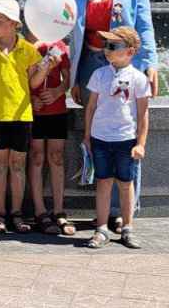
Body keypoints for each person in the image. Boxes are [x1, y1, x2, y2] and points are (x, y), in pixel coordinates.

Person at [69, 0, 157, 232]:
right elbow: (71, 33)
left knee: (128, 133)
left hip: (124, 64)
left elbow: (144, 29)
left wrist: (150, 65)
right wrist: (73, 77)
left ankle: (126, 210)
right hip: (89, 67)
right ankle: (103, 209)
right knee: (97, 129)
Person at [0, 0, 52, 234]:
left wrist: (44, 68)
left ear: (14, 24)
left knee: (17, 165)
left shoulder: (27, 49)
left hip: (21, 115)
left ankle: (16, 211)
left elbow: (33, 82)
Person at [83, 27, 150, 249]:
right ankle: (101, 228)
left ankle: (128, 227)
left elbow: (143, 114)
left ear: (130, 52)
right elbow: (91, 107)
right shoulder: (99, 74)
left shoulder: (138, 79)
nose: (107, 50)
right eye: (106, 45)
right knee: (103, 182)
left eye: (113, 46)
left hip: (125, 139)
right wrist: (87, 136)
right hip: (101, 137)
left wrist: (140, 143)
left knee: (125, 183)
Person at [29, 31, 74, 236]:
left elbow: (67, 79)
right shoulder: (29, 46)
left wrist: (57, 91)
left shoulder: (60, 46)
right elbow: (22, 79)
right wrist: (31, 99)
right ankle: (39, 210)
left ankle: (59, 209)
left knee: (56, 157)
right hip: (35, 110)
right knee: (36, 157)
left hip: (56, 109)